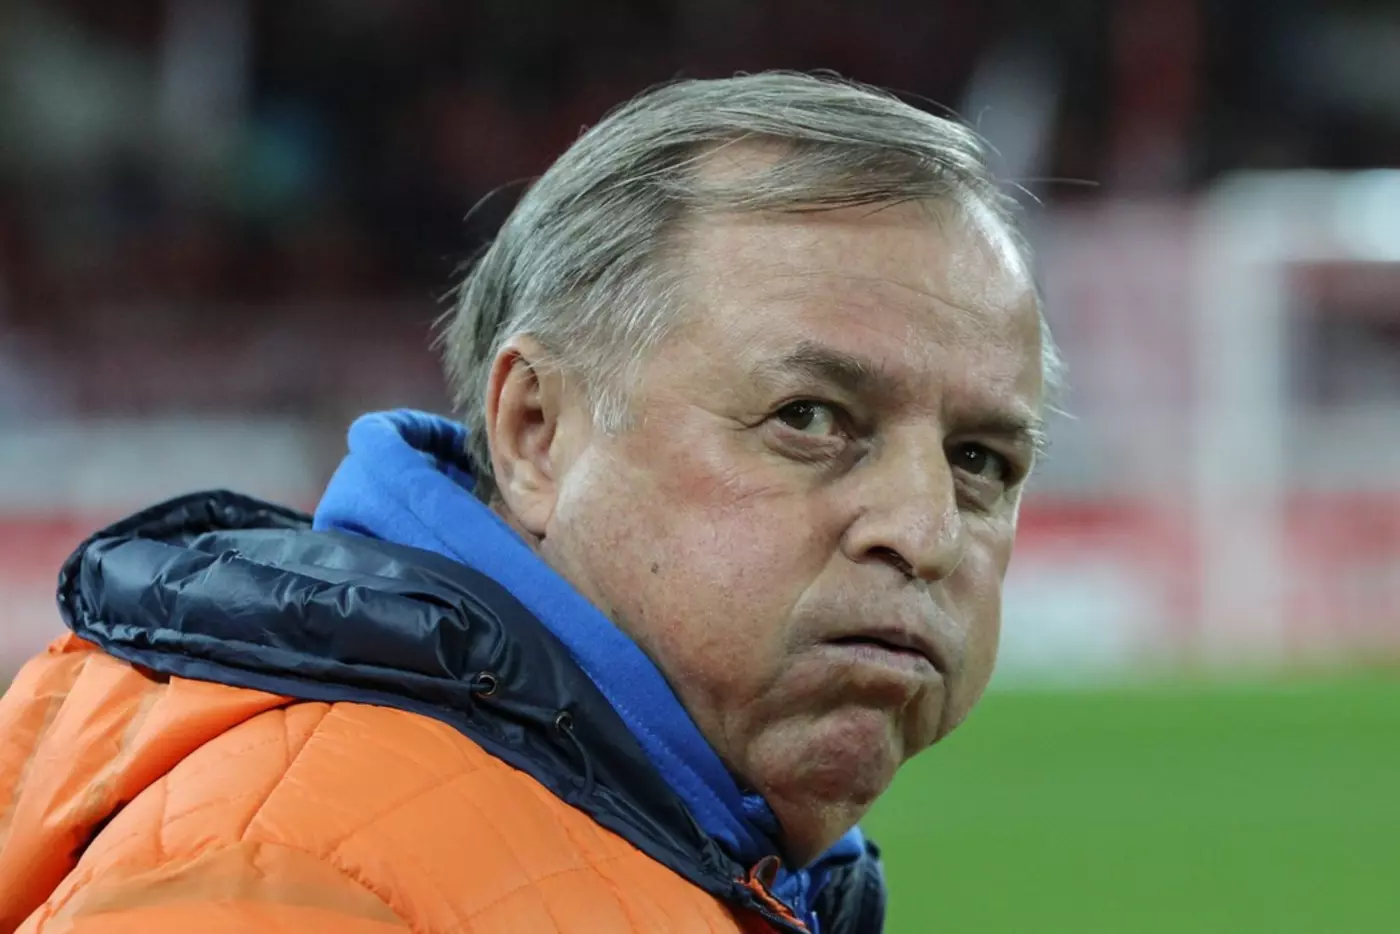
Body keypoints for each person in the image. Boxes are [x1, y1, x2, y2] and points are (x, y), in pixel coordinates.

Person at [0, 72, 1057, 933]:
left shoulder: (701, 840)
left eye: (980, 459)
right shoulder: (287, 876)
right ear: (535, 432)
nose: (924, 530)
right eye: (810, 417)